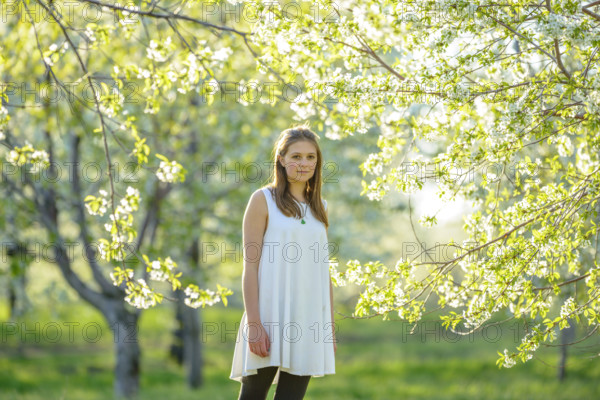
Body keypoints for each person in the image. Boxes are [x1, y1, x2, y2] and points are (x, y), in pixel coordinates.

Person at [230, 124, 337, 400]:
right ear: (281, 158)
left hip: (308, 318)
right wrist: (254, 323)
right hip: (268, 316)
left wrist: (328, 328)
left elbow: (322, 272)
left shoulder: (320, 207)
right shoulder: (262, 200)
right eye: (296, 156)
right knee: (252, 397)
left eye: (310, 157)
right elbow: (250, 266)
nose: (304, 163)